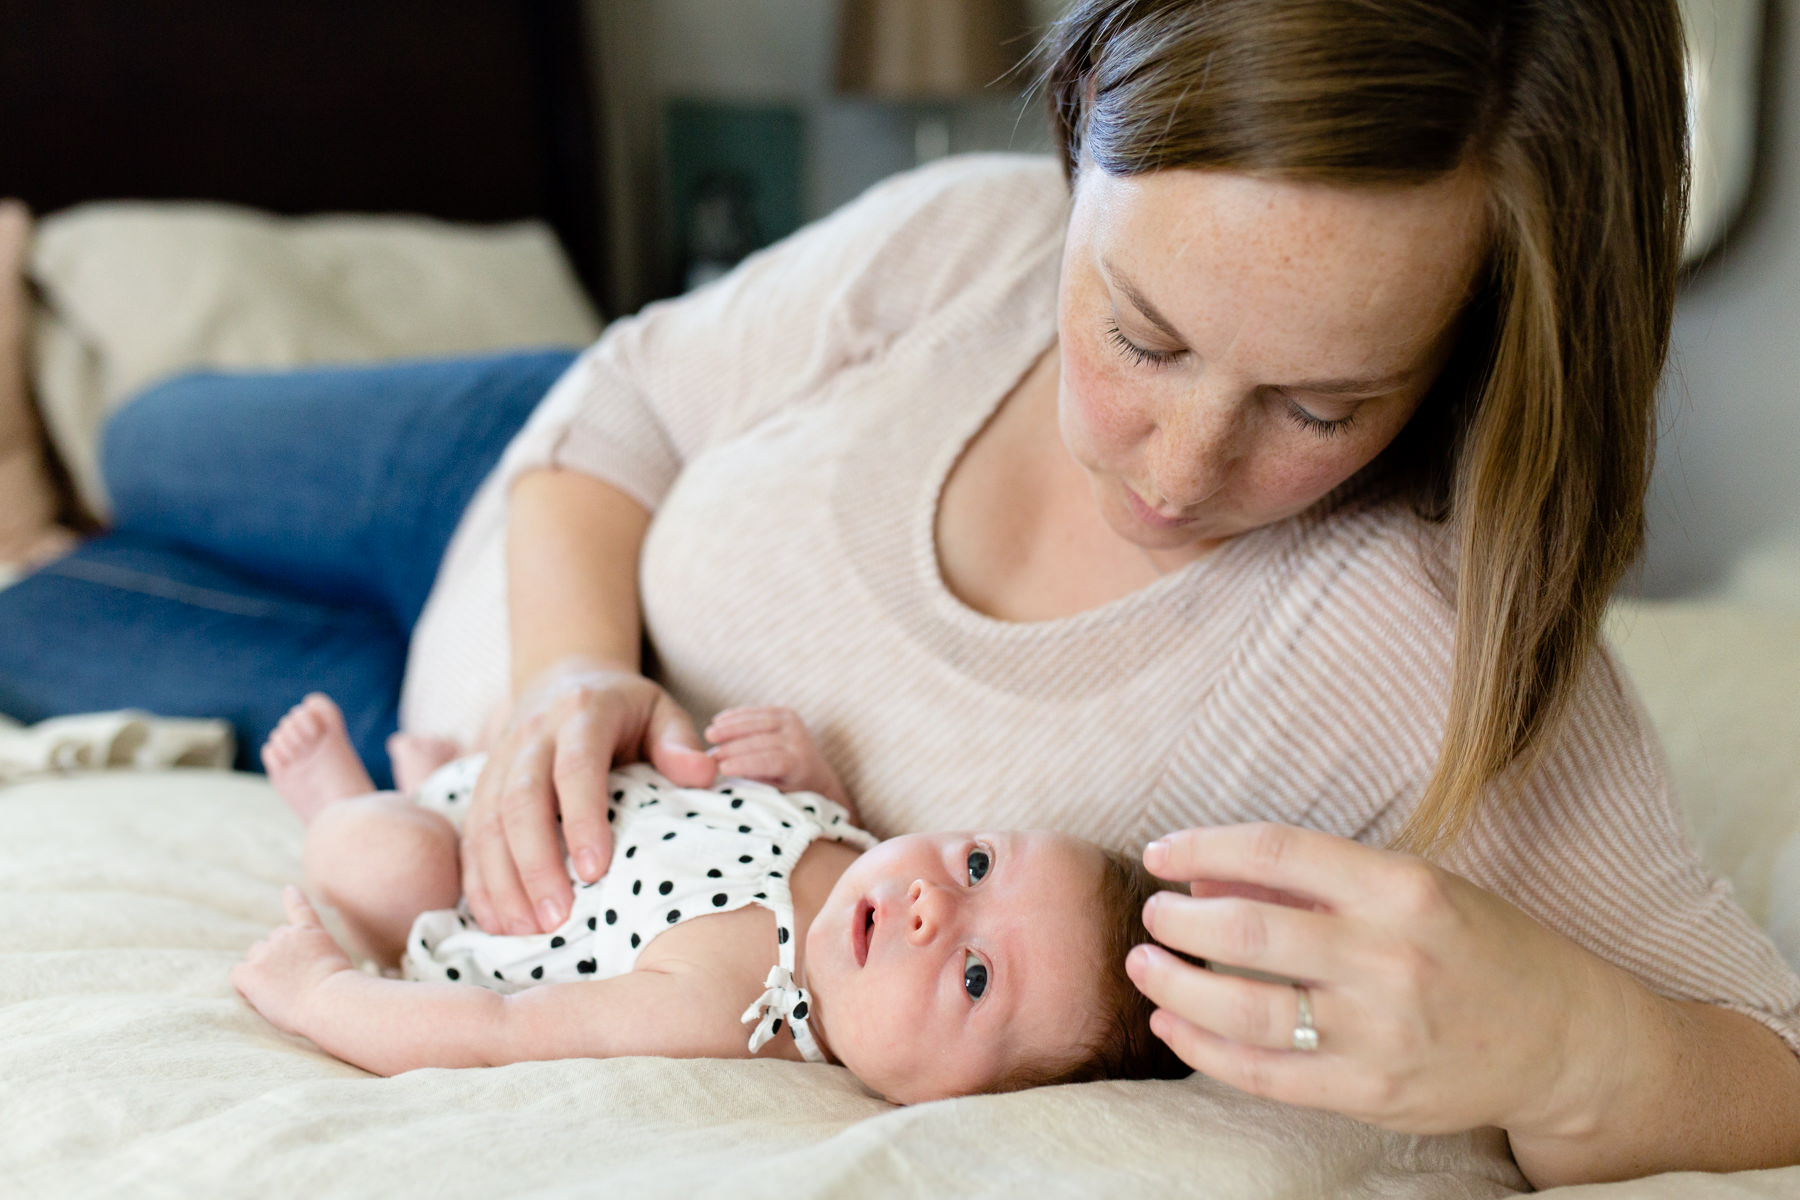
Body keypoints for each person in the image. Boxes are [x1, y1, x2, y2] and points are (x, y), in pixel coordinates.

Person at [1, 0, 1796, 1186]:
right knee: (155, 431)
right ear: (1081, 128)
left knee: (34, 603)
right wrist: (562, 674)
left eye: (1319, 407)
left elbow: (1762, 1056)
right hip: (513, 487)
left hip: (405, 766)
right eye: (1140, 331)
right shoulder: (966, 242)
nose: (1176, 468)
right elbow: (616, 400)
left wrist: (1567, 1048)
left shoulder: (1432, 659)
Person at [232, 694, 1186, 1101]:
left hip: (474, 885)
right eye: (979, 865)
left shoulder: (726, 1001)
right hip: (536, 792)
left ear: (949, 1101)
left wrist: (322, 996)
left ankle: (343, 801)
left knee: (387, 863)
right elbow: (820, 849)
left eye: (976, 978)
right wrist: (808, 782)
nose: (934, 902)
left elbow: (499, 1030)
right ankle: (439, 768)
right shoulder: (857, 864)